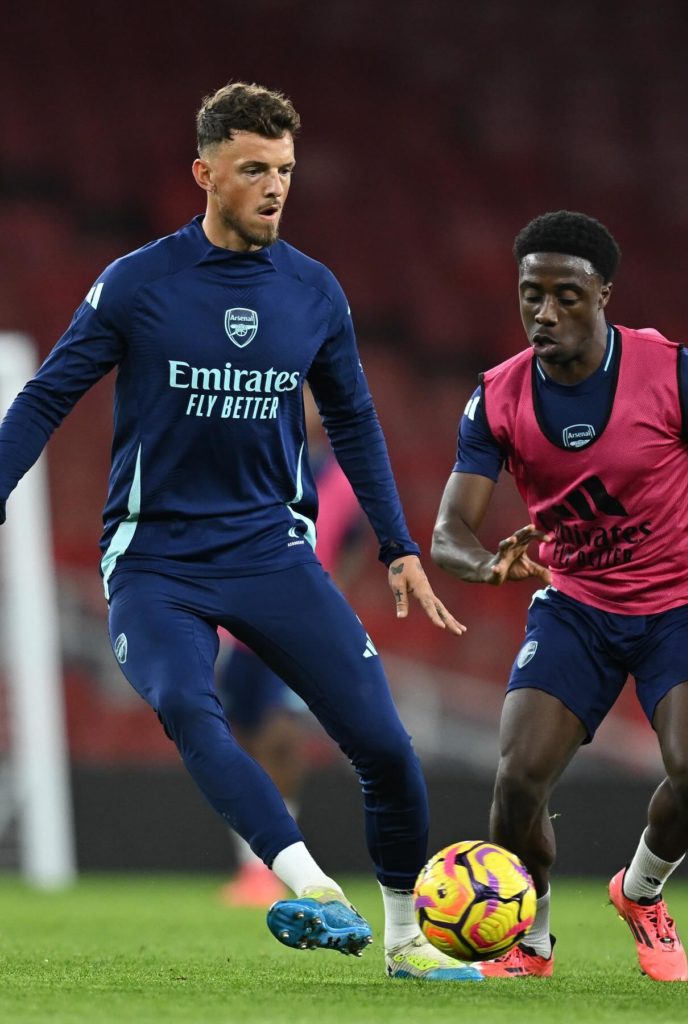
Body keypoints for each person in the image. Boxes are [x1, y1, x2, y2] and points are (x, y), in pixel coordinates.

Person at [0, 82, 483, 983]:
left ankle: (407, 938)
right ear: (205, 173)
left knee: (384, 746)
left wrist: (398, 546)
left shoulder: (313, 291)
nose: (274, 187)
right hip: (156, 561)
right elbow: (45, 397)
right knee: (189, 704)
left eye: (286, 170)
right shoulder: (137, 285)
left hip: (273, 556)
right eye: (254, 168)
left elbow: (355, 425)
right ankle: (306, 885)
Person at [431, 210, 688, 982]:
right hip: (576, 605)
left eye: (566, 295)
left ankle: (639, 891)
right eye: (529, 294)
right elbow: (448, 531)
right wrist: (483, 568)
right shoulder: (498, 398)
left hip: (683, 604)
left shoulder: (670, 373)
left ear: (603, 292)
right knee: (516, 781)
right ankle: (530, 939)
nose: (544, 312)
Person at [219, 387, 366, 907]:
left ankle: (275, 865)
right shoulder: (251, 459)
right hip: (239, 630)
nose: (300, 402)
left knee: (282, 739)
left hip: (299, 629)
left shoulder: (340, 481)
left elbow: (351, 544)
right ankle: (252, 865)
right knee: (245, 746)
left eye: (308, 393)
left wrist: (329, 599)